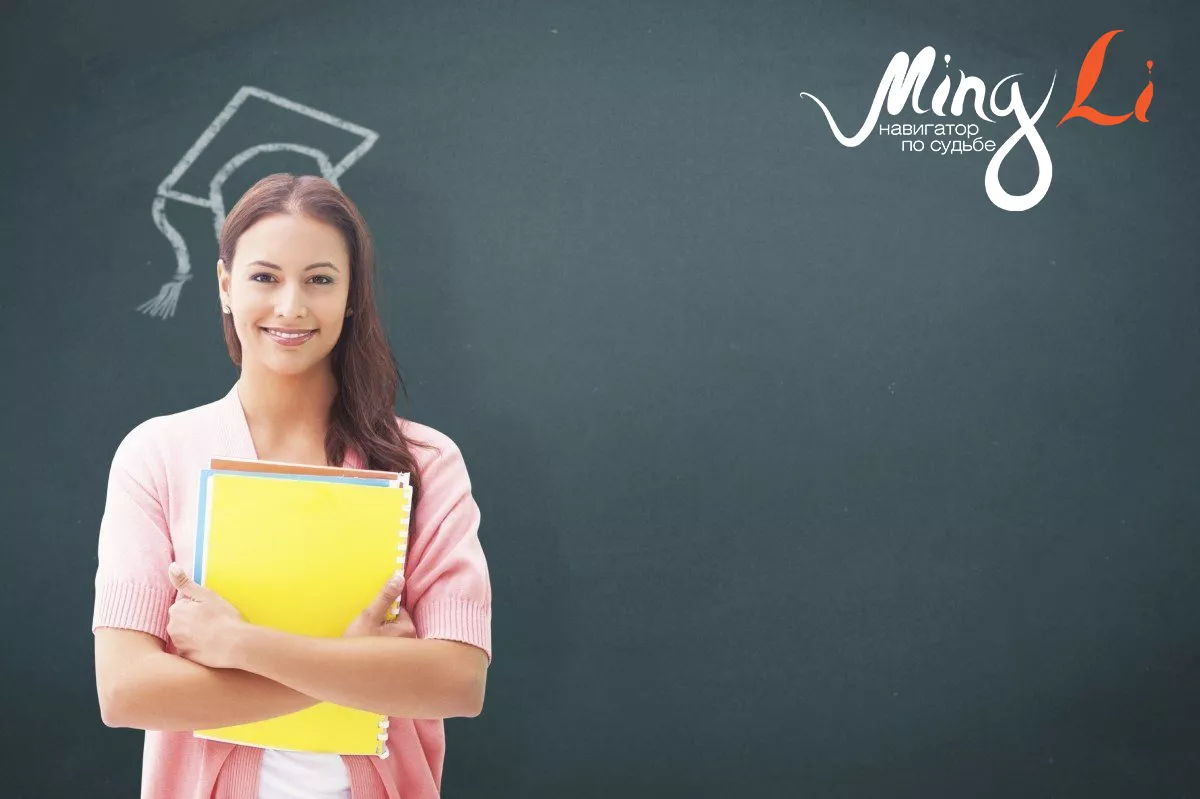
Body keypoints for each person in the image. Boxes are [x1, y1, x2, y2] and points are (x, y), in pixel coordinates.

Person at [92, 173, 492, 799]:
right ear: (225, 285)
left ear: (352, 295)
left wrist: (240, 644)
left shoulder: (426, 462)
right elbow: (125, 693)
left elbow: (457, 682)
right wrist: (354, 664)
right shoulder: (157, 455)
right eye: (264, 277)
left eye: (320, 280)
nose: (290, 306)